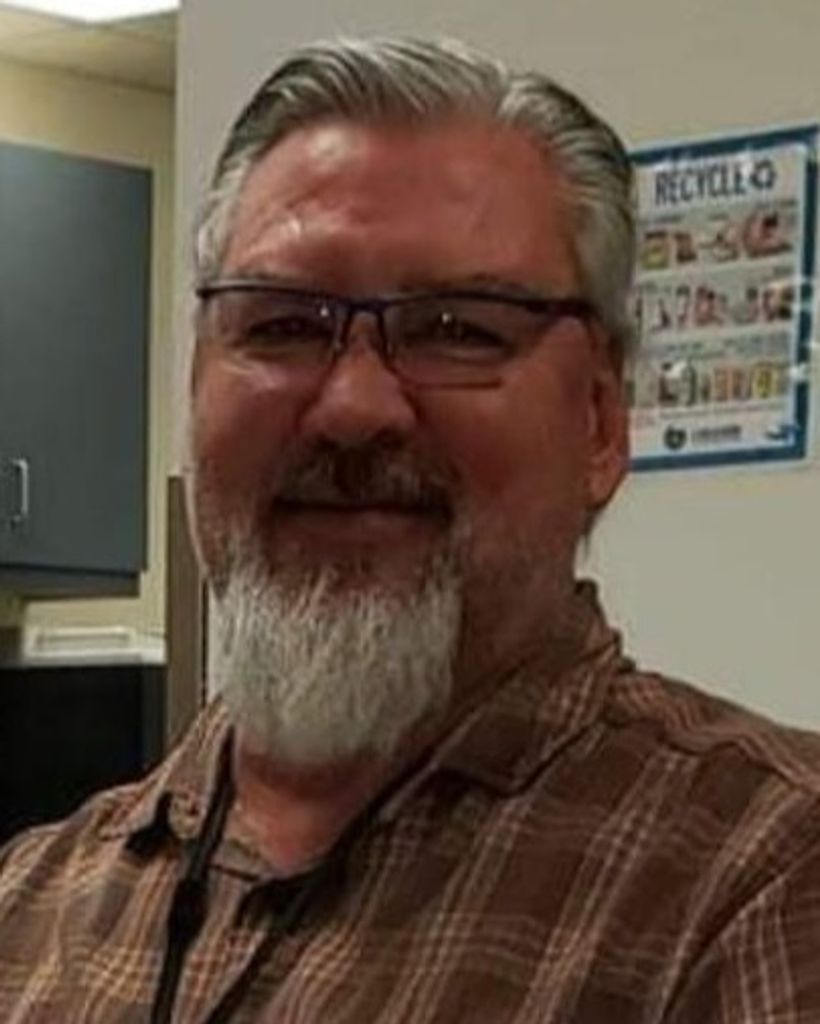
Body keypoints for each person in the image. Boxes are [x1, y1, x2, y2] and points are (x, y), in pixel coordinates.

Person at [1, 36, 819, 1024]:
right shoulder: (27, 909)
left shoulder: (763, 882)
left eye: (457, 329)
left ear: (601, 422)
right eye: (282, 324)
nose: (353, 407)